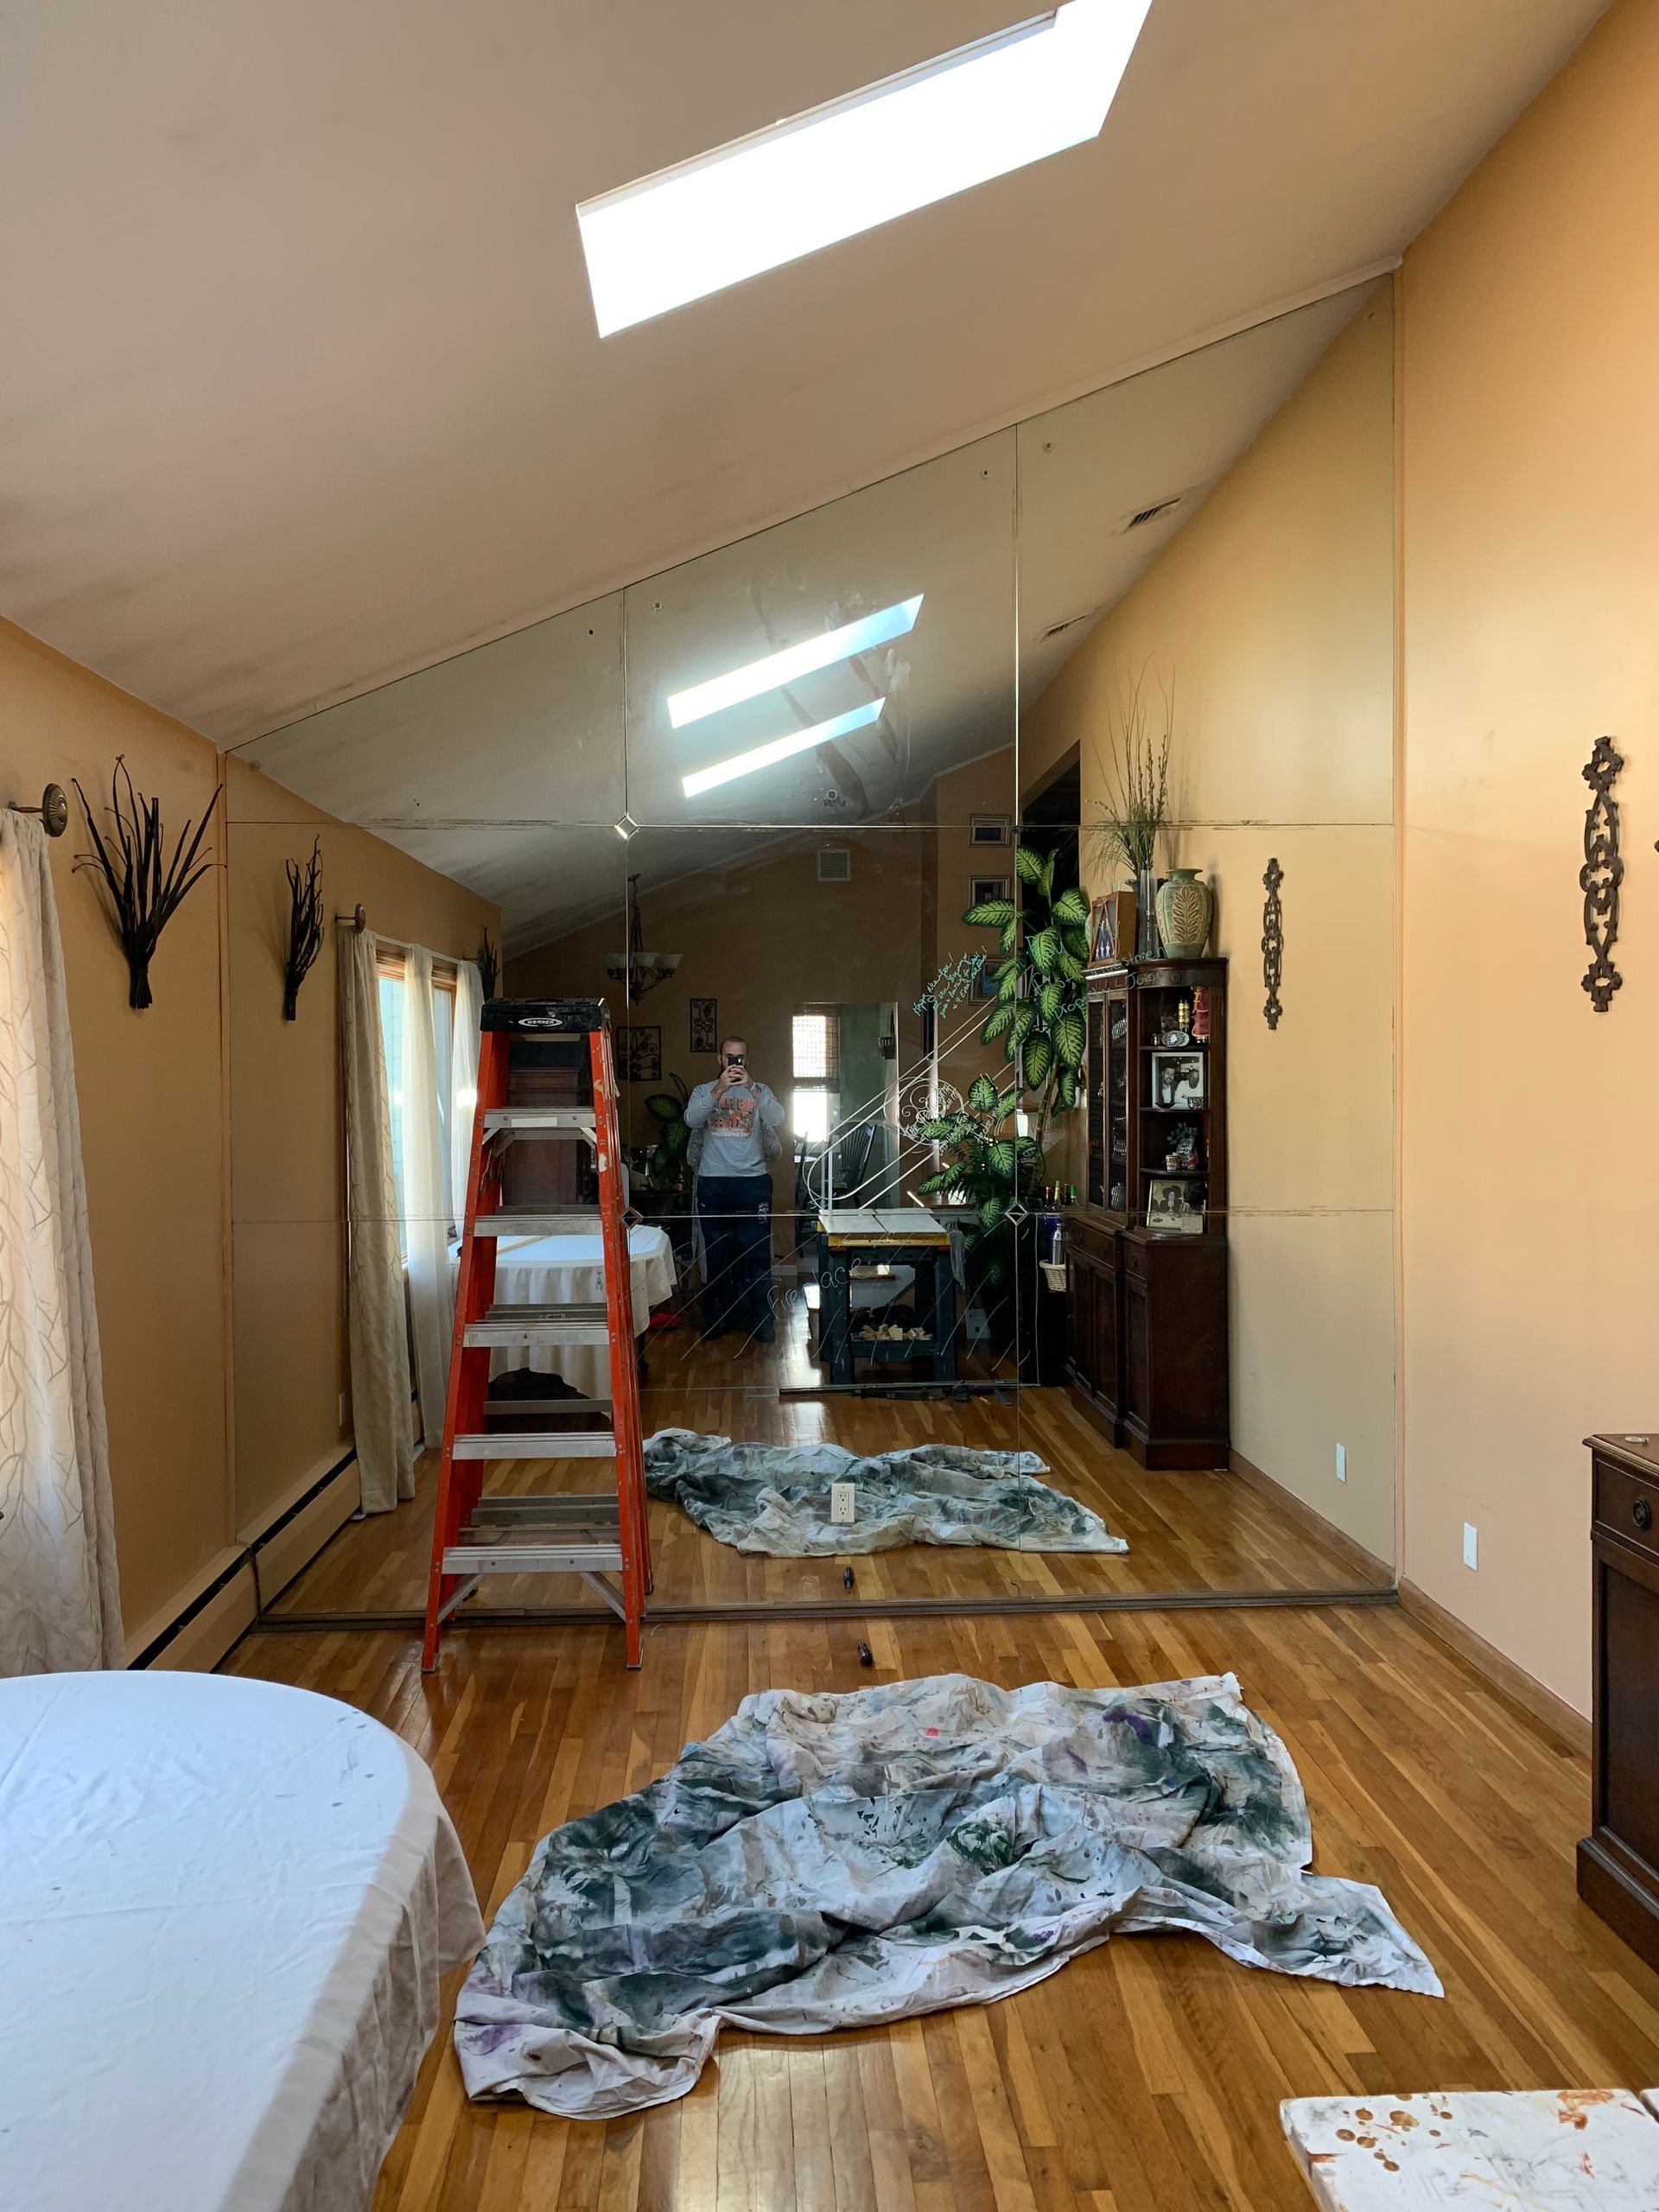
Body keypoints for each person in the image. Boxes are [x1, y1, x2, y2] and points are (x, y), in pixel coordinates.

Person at [683, 1035, 785, 1343]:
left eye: (739, 1057)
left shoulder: (761, 1090)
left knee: (756, 1255)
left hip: (753, 1182)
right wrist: (719, 1089)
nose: (734, 1063)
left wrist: (752, 1087)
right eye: (729, 1057)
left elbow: (778, 1118)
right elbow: (691, 1120)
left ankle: (762, 1322)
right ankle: (716, 1320)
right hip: (714, 1182)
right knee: (716, 1255)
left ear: (747, 1061)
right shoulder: (704, 1091)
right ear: (720, 1059)